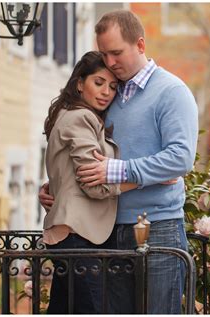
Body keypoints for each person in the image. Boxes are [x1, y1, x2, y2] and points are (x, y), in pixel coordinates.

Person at [39, 9, 199, 314]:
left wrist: (121, 171)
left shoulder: (172, 92)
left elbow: (180, 157)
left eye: (116, 52)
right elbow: (83, 155)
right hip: (106, 231)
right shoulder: (108, 95)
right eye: (104, 54)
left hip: (158, 227)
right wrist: (58, 188)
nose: (110, 62)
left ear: (140, 45)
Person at [42, 51, 139, 313]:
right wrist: (141, 179)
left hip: (72, 235)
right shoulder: (80, 118)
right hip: (76, 235)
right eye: (98, 82)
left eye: (112, 86)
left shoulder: (70, 115)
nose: (106, 92)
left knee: (64, 310)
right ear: (79, 83)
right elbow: (94, 186)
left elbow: (67, 176)